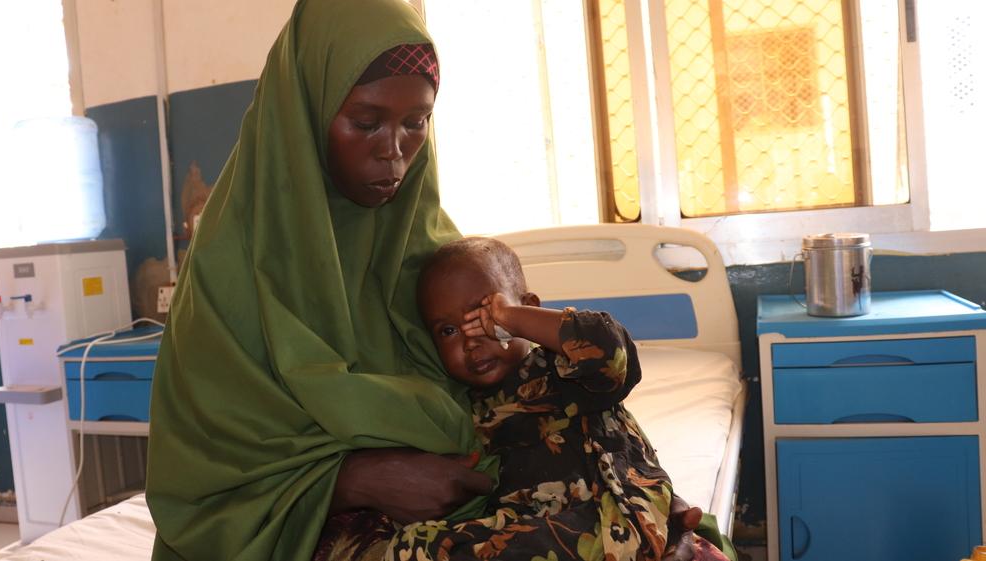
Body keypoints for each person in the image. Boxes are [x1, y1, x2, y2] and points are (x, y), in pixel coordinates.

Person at [146, 1, 708, 560]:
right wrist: (355, 478)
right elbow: (199, 478)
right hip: (295, 527)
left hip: (479, 498)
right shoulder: (230, 268)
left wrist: (628, 477)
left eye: (416, 123)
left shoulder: (430, 251)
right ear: (307, 114)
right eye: (365, 122)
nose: (394, 152)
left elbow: (532, 380)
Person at [381, 237, 733, 561]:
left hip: (619, 515)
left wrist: (511, 318)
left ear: (528, 308)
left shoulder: (565, 368)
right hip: (539, 534)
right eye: (448, 331)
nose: (471, 341)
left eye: (484, 317)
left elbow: (613, 353)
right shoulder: (462, 408)